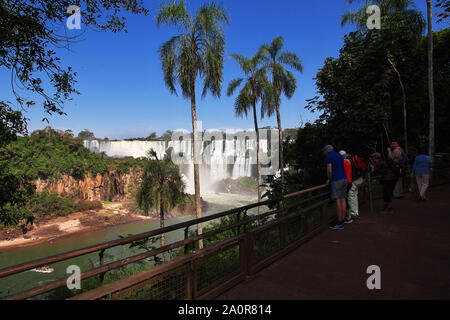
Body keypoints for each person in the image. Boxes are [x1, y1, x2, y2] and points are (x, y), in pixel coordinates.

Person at [322, 145, 348, 229]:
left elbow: (329, 170)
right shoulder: (339, 156)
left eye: (324, 151)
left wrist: (329, 179)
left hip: (336, 180)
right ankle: (343, 220)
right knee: (343, 200)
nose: (324, 153)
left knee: (338, 201)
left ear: (327, 150)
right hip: (344, 179)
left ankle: (339, 222)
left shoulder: (329, 156)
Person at [339, 150, 353, 223]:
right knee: (345, 198)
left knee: (344, 199)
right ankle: (347, 216)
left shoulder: (342, 162)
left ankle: (347, 217)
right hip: (349, 181)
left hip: (345, 182)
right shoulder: (348, 161)